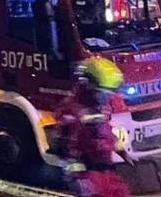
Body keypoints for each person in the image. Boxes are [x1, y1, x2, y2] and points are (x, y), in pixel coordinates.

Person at [55, 57, 133, 197]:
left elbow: (106, 133)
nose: (107, 98)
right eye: (103, 93)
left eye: (110, 93)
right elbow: (67, 147)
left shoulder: (98, 107)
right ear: (87, 86)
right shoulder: (73, 112)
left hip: (106, 170)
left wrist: (122, 152)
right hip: (87, 173)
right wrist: (78, 179)